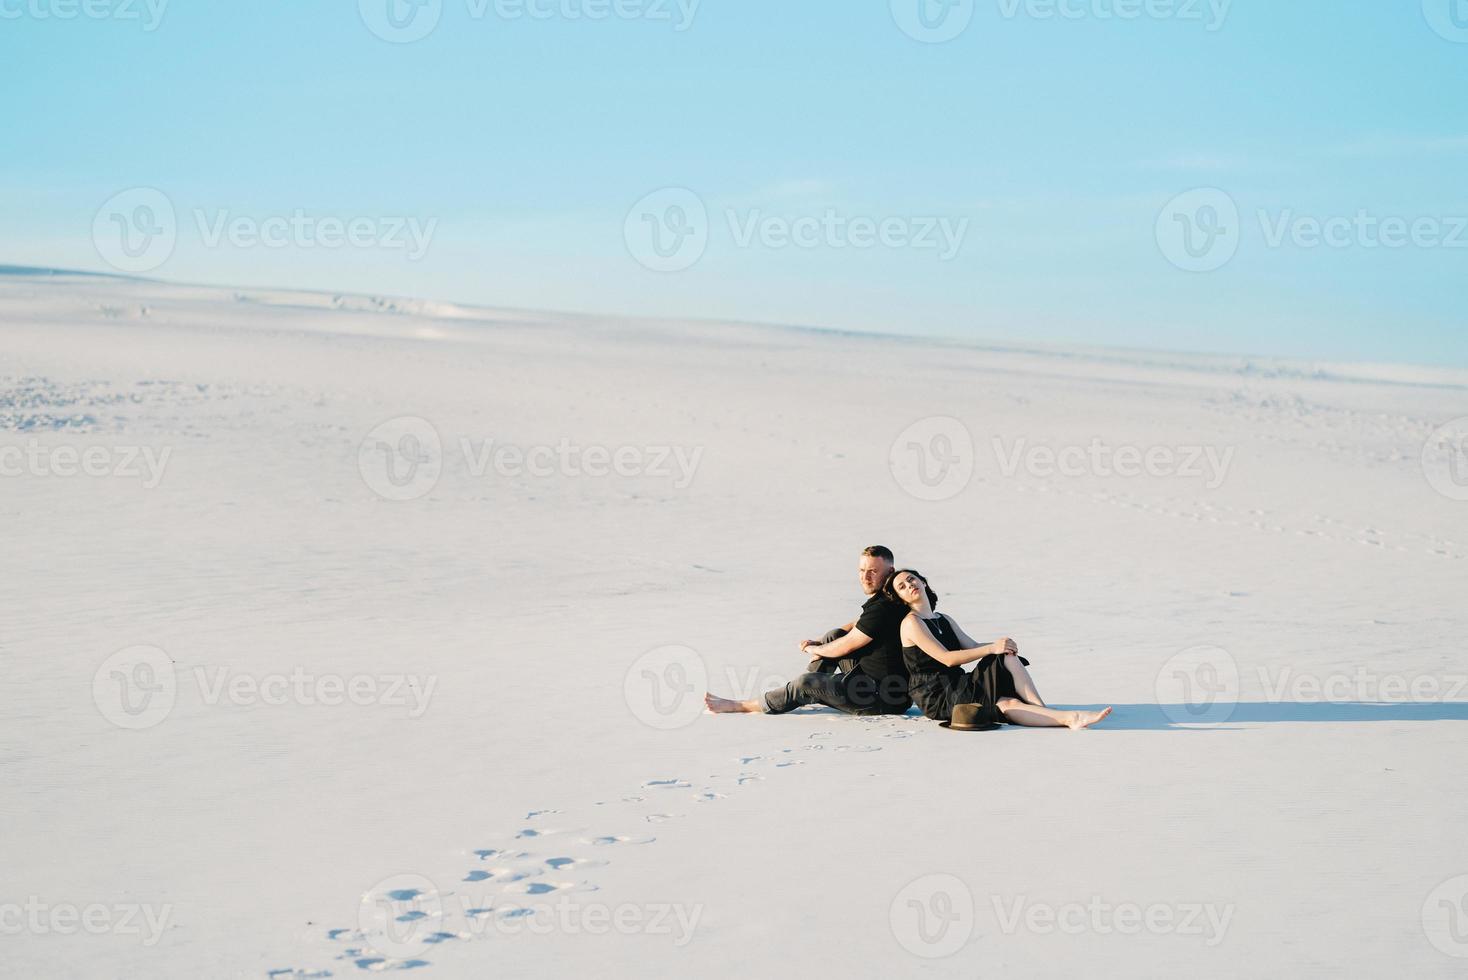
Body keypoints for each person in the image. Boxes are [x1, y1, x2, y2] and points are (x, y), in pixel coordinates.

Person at [889, 569, 1112, 730]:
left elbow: (974, 646)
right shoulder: (911, 622)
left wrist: (1001, 645)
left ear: (923, 582)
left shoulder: (944, 618)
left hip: (958, 684)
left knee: (1005, 684)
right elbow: (947, 659)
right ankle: (1066, 717)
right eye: (903, 587)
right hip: (936, 694)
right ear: (901, 598)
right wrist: (992, 649)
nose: (910, 585)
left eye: (912, 579)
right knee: (1003, 690)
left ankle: (1046, 712)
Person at [704, 545, 911, 716]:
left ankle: (742, 706)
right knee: (833, 636)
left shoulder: (884, 607)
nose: (865, 577)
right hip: (877, 684)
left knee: (806, 681)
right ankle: (800, 693)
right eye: (861, 570)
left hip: (882, 699)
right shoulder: (890, 598)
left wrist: (816, 650)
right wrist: (821, 641)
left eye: (873, 571)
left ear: (890, 572)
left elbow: (847, 646)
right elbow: (859, 623)